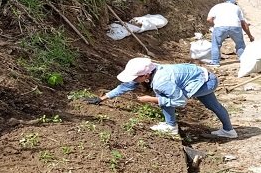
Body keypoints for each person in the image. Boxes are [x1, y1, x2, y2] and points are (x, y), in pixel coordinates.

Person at [85, 58, 238, 138]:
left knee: (164, 97)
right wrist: (102, 98)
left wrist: (150, 99)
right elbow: (126, 86)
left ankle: (171, 127)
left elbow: (180, 102)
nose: (132, 80)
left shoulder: (161, 81)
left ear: (145, 76)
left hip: (205, 82)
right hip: (201, 76)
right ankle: (229, 131)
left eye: (134, 77)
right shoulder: (151, 69)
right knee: (213, 105)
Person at [207, 0, 254, 67]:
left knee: (216, 44)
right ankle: (243, 61)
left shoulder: (217, 6)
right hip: (235, 26)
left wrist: (216, 25)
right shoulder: (237, 8)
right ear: (234, 3)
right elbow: (243, 23)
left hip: (220, 27)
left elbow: (209, 19)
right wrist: (250, 36)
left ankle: (215, 62)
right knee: (240, 44)